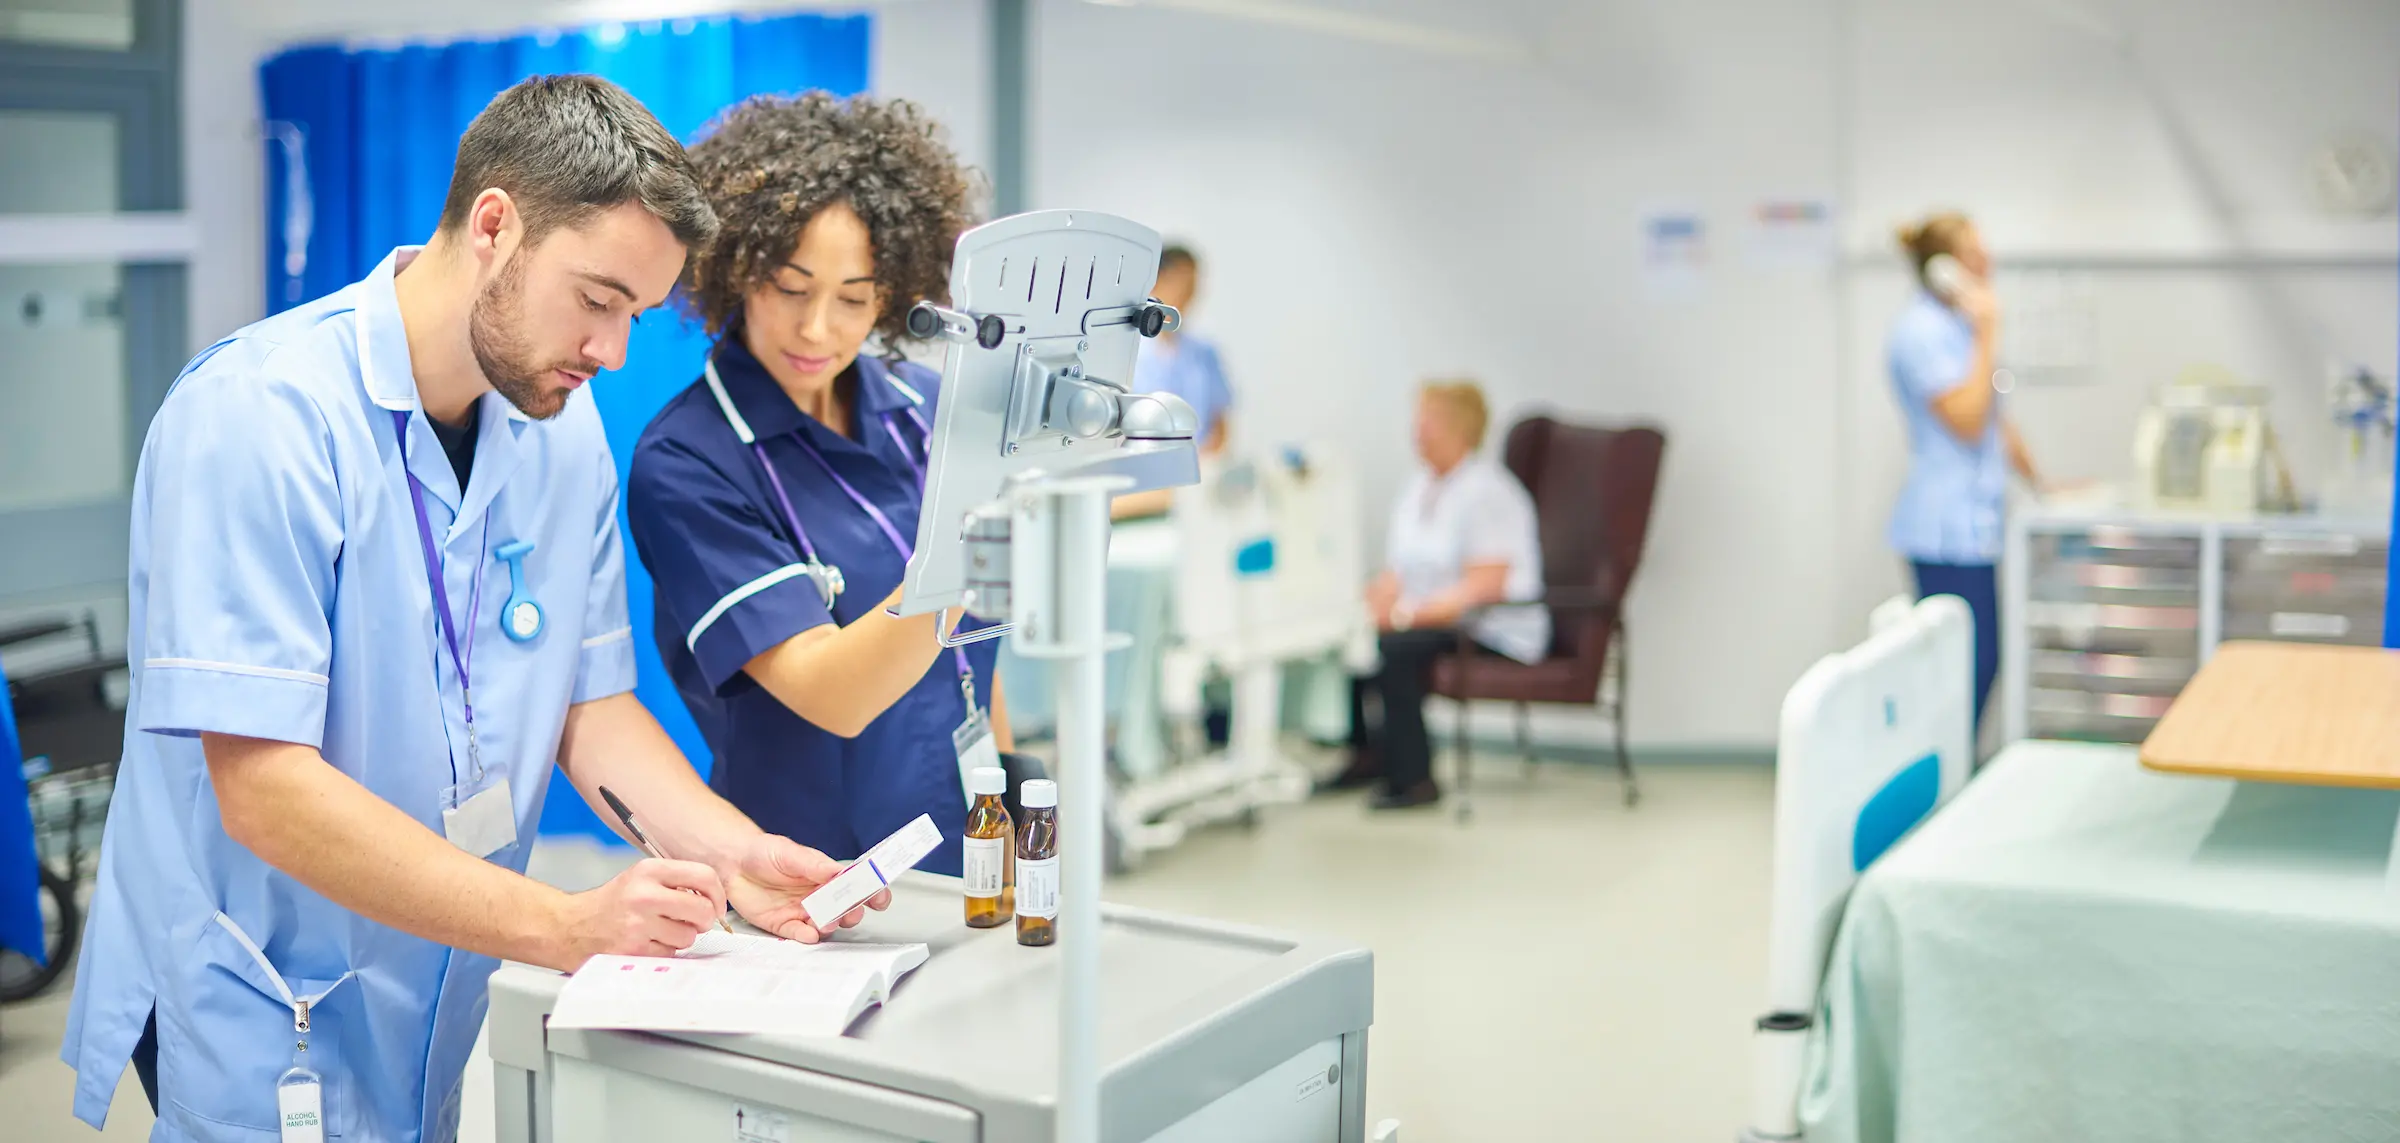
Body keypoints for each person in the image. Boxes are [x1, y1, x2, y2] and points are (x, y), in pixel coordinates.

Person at [59, 76, 882, 1141]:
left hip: (436, 960)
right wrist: (564, 924)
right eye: (596, 299)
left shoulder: (560, 428)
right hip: (266, 985)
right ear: (494, 224)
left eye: (633, 314)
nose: (612, 352)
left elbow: (591, 705)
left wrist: (733, 858)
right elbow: (263, 788)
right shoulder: (260, 416)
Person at [627, 93, 1006, 880]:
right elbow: (831, 692)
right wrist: (973, 551)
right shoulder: (690, 460)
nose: (817, 330)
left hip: (965, 838)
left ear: (894, 293)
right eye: (790, 288)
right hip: (810, 876)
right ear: (735, 269)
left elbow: (971, 655)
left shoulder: (927, 412)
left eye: (854, 299)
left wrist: (1002, 797)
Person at [1323, 379, 1548, 810]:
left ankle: (1415, 780)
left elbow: (1485, 584)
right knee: (1351, 635)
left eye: (1430, 421)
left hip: (1492, 626)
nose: (1418, 431)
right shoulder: (1419, 489)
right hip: (1434, 616)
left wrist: (1406, 616)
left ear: (1463, 428)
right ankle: (1366, 754)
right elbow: (1398, 571)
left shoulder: (1488, 490)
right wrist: (1367, 607)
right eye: (1418, 420)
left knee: (1394, 650)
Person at [1888, 212, 2048, 735]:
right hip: (1943, 532)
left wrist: (2045, 485)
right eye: (1974, 255)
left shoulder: (1958, 329)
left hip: (1973, 527)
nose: (1987, 263)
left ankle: (1949, 776)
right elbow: (1966, 419)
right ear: (1942, 269)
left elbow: (1998, 424)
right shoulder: (1921, 332)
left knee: (1981, 662)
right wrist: (1988, 332)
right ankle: (1937, 782)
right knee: (1962, 667)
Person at [1112, 243, 1233, 520]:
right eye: (1184, 283)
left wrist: (1196, 468)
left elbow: (1221, 426)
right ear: (1159, 281)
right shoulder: (1127, 353)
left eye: (1195, 285)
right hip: (1138, 486)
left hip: (1197, 482)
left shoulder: (1204, 352)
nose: (1191, 294)